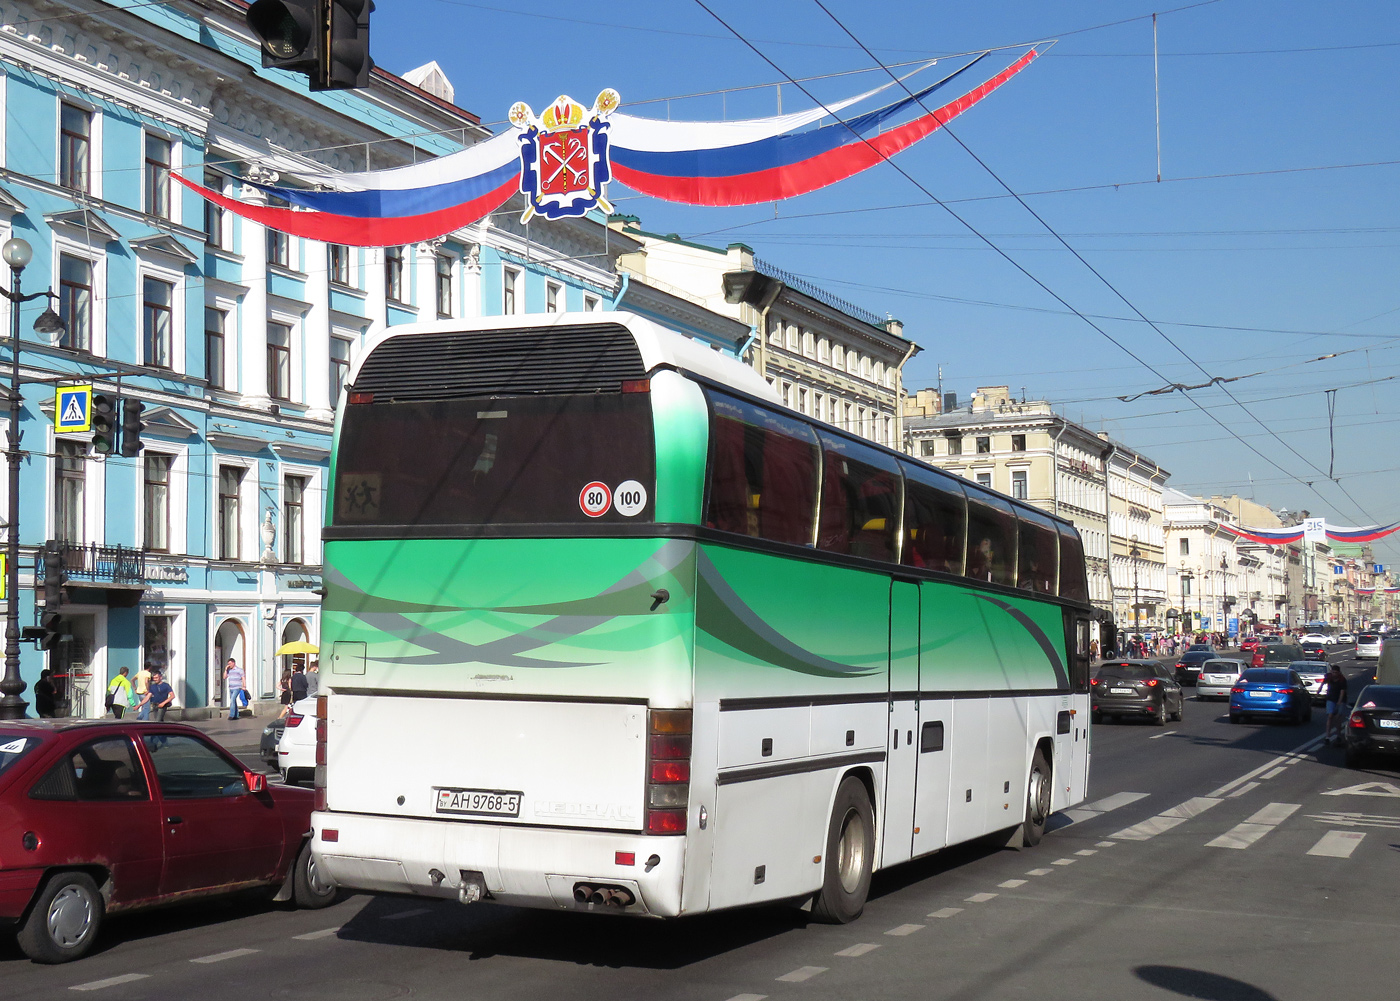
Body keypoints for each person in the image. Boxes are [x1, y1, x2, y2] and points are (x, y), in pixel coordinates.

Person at [1323, 663, 1349, 745]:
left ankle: (1338, 735)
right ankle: (1327, 736)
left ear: (1338, 673)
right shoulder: (1329, 677)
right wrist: (1317, 694)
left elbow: (1342, 692)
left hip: (1340, 700)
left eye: (1336, 672)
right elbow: (1322, 684)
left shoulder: (1342, 680)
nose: (1334, 674)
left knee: (1338, 718)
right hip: (1331, 698)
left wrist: (1339, 702)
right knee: (1330, 716)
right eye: (1333, 672)